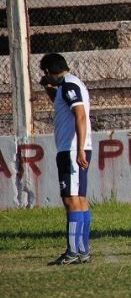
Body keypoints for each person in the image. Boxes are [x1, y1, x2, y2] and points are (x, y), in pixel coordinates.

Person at [40, 53, 93, 265]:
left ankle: (72, 252)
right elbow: (63, 103)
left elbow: (80, 115)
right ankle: (82, 250)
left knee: (71, 199)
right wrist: (48, 88)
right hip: (74, 148)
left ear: (47, 71)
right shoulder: (68, 85)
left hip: (72, 150)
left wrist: (79, 150)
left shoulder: (69, 85)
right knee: (79, 199)